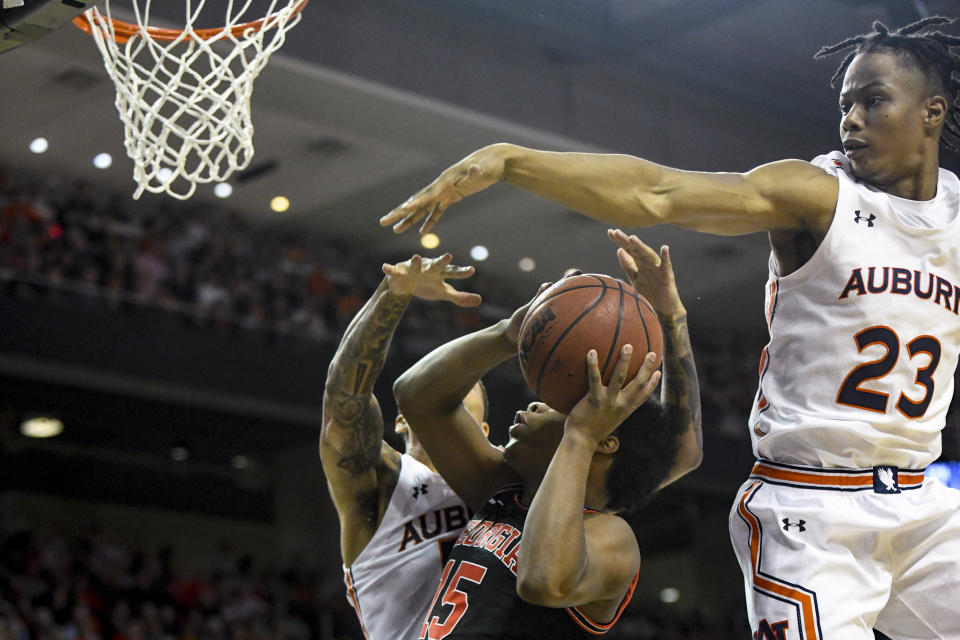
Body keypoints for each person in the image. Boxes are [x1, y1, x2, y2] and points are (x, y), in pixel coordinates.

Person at [380, 16, 960, 640]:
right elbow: (658, 193)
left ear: (932, 111)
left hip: (920, 501)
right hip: (810, 509)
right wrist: (513, 162)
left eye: (874, 102)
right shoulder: (818, 194)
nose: (851, 119)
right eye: (846, 104)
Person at [393, 232, 702, 638]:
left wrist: (579, 435)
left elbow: (543, 582)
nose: (536, 404)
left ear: (605, 438)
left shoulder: (611, 537)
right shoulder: (501, 488)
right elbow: (415, 396)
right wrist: (507, 333)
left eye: (563, 404)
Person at [320, 253, 492, 640]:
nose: (444, 401)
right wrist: (394, 294)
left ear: (484, 429)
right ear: (400, 420)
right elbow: (344, 397)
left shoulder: (511, 483)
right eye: (433, 394)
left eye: (457, 397)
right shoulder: (383, 479)